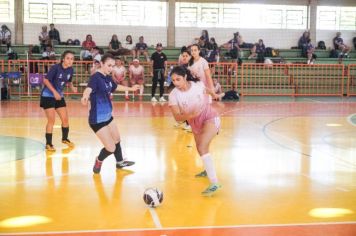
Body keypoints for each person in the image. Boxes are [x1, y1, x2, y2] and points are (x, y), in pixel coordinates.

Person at [81, 54, 139, 174]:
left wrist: (132, 89)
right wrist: (85, 96)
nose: (111, 68)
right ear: (101, 64)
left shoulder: (107, 77)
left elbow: (116, 87)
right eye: (109, 65)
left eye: (112, 66)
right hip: (97, 120)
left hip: (108, 116)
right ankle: (99, 160)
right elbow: (89, 89)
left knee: (117, 139)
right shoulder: (96, 77)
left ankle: (120, 162)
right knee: (111, 148)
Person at [168, 66, 222, 196]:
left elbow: (205, 89)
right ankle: (207, 168)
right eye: (174, 80)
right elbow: (177, 117)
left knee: (202, 146)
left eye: (178, 79)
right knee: (201, 149)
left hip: (210, 116)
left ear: (185, 77)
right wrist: (191, 116)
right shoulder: (173, 95)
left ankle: (214, 183)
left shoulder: (197, 84)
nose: (176, 83)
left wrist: (213, 93)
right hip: (194, 122)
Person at [40, 50, 77, 151]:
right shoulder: (55, 68)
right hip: (48, 95)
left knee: (65, 119)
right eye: (68, 58)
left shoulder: (71, 70)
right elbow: (45, 80)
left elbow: (69, 81)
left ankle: (65, 139)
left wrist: (72, 87)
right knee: (51, 120)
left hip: (59, 96)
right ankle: (48, 144)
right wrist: (54, 92)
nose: (70, 61)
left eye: (72, 59)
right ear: (63, 59)